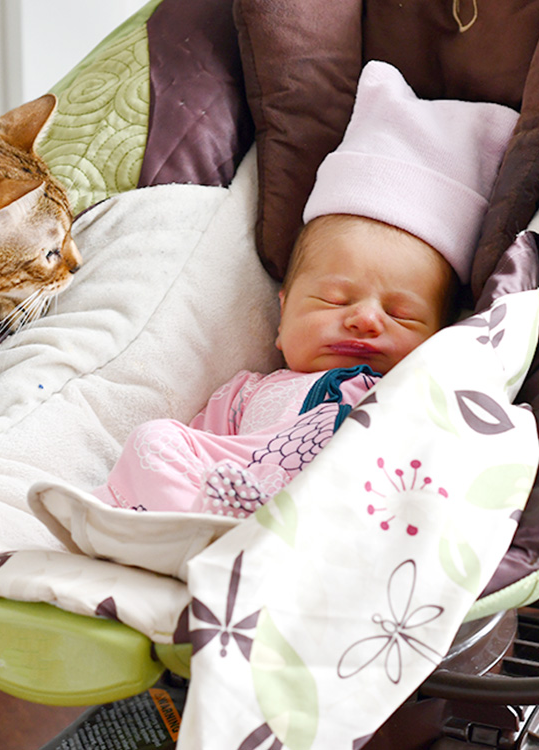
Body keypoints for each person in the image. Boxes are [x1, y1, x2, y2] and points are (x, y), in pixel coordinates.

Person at [91, 60, 519, 518]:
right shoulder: (242, 395)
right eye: (334, 300)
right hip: (234, 492)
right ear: (283, 315)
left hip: (349, 506)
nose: (366, 318)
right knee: (154, 439)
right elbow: (201, 451)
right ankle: (193, 527)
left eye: (402, 315)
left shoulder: (413, 396)